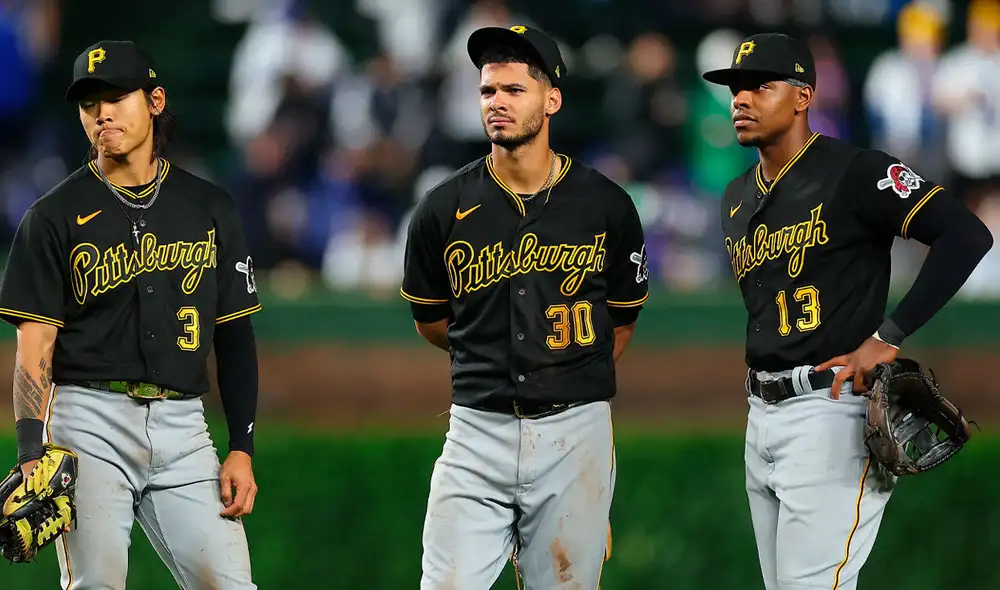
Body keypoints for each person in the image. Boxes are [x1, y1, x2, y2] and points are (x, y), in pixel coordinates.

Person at [702, 33, 993, 589]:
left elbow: (965, 234)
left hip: (830, 411)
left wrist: (890, 333)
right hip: (760, 414)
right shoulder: (735, 196)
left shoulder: (855, 171)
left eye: (761, 86)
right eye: (736, 88)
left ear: (803, 96)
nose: (740, 99)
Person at [0, 40, 262, 589]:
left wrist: (241, 445)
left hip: (184, 427)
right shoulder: (52, 217)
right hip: (88, 422)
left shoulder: (209, 207)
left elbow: (235, 334)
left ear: (156, 100)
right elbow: (35, 343)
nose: (103, 113)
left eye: (117, 97)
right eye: (90, 102)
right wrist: (30, 449)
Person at [400, 25, 649, 589]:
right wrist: (489, 349)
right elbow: (432, 319)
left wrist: (569, 374)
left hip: (575, 432)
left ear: (551, 99)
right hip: (476, 429)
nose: (497, 103)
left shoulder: (605, 204)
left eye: (514, 90)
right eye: (488, 91)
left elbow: (623, 318)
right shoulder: (442, 207)